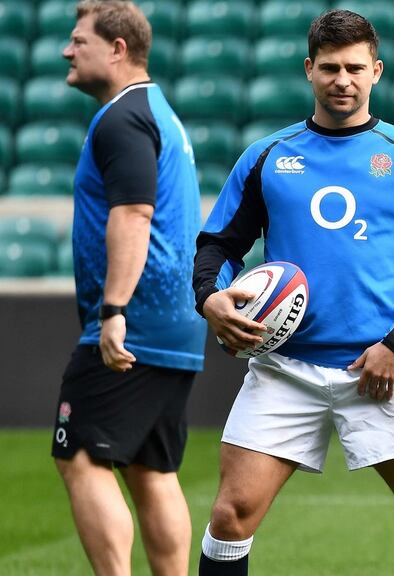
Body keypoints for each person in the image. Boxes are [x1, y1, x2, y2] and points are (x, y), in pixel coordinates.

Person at [191, 9, 394, 576]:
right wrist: (211, 298)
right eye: (329, 68)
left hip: (379, 371)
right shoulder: (266, 156)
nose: (342, 80)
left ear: (376, 70)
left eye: (355, 68)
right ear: (309, 70)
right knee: (231, 516)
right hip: (283, 370)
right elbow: (218, 246)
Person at [51, 1, 206, 575]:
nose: (68, 51)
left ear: (117, 49)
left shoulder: (123, 117)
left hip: (130, 321)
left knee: (81, 458)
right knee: (152, 470)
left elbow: (135, 214)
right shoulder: (159, 111)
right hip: (175, 324)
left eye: (78, 40)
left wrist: (112, 310)